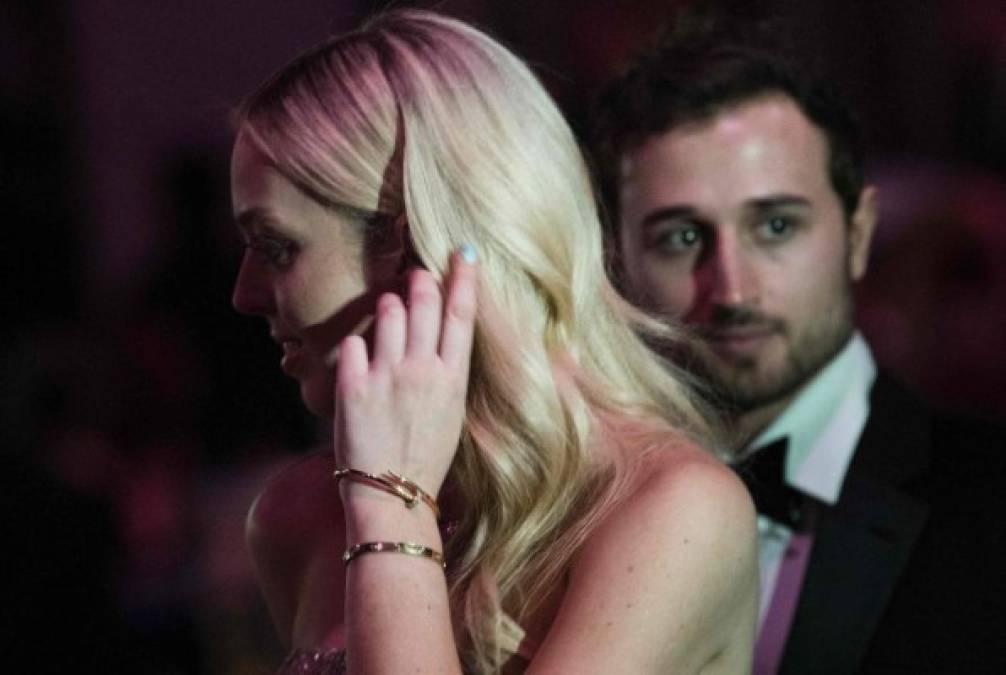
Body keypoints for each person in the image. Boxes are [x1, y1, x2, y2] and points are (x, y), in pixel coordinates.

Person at [229, 9, 757, 675]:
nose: (242, 294)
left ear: (414, 242)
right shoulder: (297, 518)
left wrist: (393, 509)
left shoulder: (672, 510)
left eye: (276, 247)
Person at [590, 13, 1006, 675]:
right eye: (681, 237)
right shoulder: (575, 504)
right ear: (616, 260)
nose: (730, 287)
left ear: (860, 233)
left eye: (776, 225)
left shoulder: (988, 509)